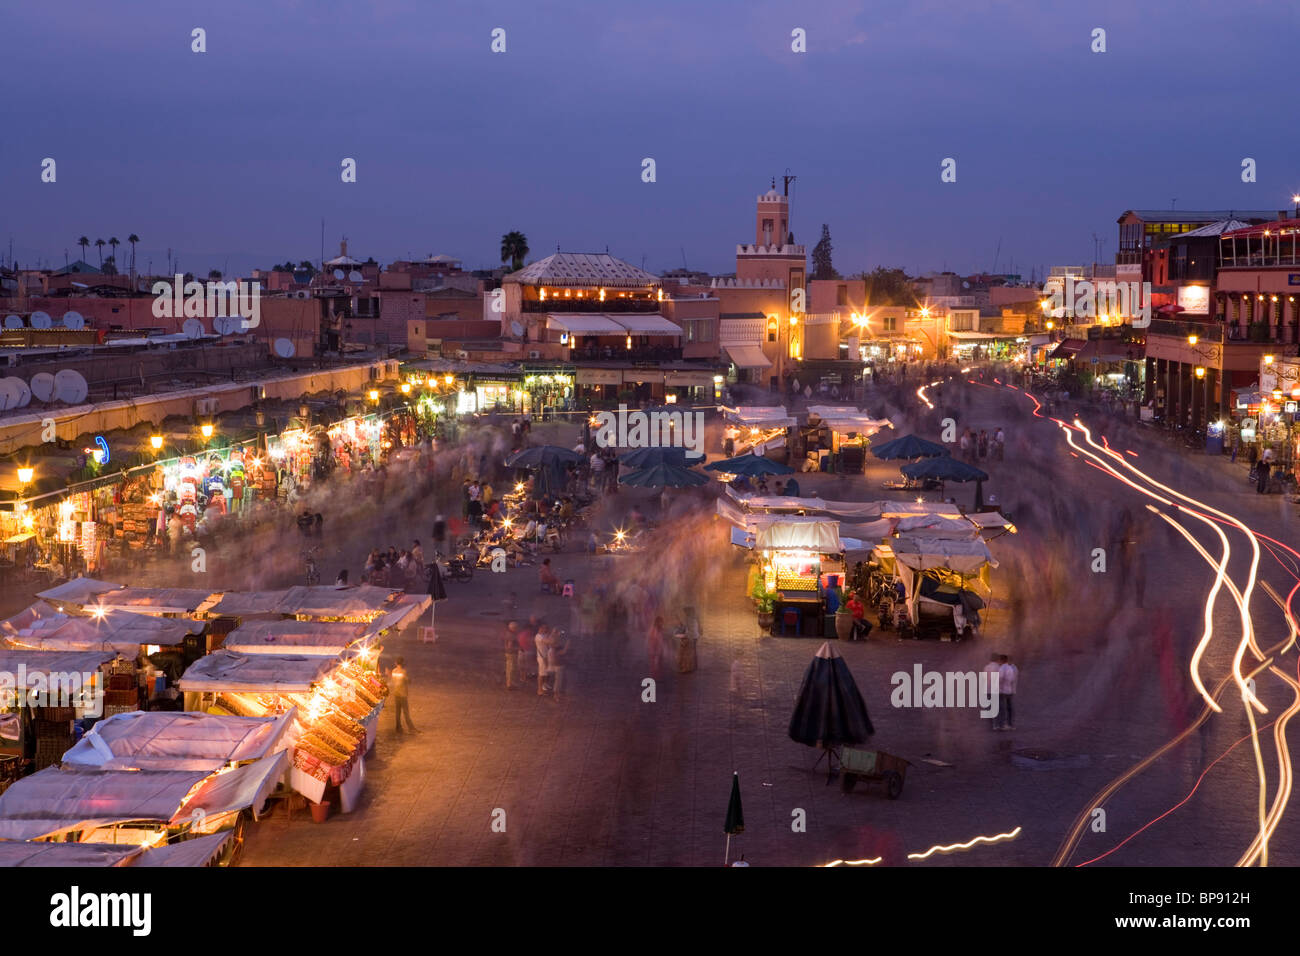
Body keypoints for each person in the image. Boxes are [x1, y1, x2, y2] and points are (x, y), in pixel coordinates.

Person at [389, 656, 416, 734]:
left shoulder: (394, 671)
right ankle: (411, 728)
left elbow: (393, 681)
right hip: (403, 694)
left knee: (398, 712)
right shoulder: (403, 672)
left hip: (396, 693)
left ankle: (398, 727)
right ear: (402, 663)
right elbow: (407, 680)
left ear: (396, 663)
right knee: (406, 712)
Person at [997, 654, 1018, 730]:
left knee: (1002, 708)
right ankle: (1011, 724)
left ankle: (1003, 725)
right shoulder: (1010, 668)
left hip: (1003, 691)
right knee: (1010, 708)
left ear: (1001, 660)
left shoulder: (1002, 668)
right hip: (1009, 690)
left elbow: (1000, 678)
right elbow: (1012, 679)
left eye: (999, 660)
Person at [982, 654, 1002, 730]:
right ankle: (996, 725)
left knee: (990, 707)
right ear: (997, 659)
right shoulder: (998, 667)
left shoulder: (986, 667)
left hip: (987, 689)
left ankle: (990, 725)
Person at [534, 625, 554, 696]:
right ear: (540, 628)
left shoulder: (544, 635)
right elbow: (549, 642)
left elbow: (550, 640)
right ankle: (539, 690)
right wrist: (553, 634)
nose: (546, 630)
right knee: (541, 674)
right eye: (545, 628)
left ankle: (544, 686)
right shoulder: (538, 636)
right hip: (541, 658)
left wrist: (551, 634)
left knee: (545, 673)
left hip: (546, 656)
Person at [503, 620, 520, 690]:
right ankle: (510, 684)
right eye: (516, 628)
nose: (517, 629)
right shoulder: (511, 636)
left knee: (509, 668)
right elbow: (510, 646)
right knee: (511, 669)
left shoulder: (508, 633)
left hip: (508, 653)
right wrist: (518, 648)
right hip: (512, 653)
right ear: (512, 628)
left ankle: (509, 683)